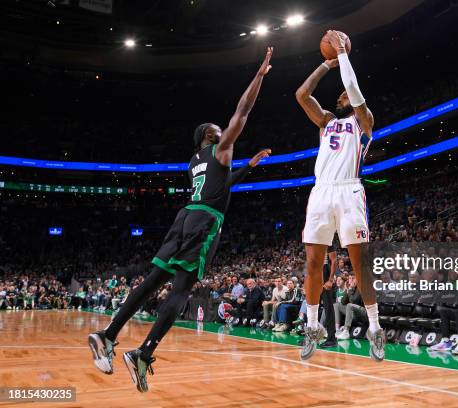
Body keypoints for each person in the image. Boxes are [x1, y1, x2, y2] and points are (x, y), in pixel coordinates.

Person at [87, 48, 274, 393]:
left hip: (185, 216)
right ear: (209, 134)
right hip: (205, 221)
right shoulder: (221, 148)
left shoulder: (194, 161)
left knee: (152, 280)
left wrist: (248, 167)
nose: (224, 129)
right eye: (219, 129)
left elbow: (220, 187)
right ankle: (143, 353)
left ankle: (107, 335)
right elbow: (243, 111)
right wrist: (260, 76)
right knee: (182, 290)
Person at [295, 30, 384, 361]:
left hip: (349, 190)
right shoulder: (327, 121)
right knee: (313, 263)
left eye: (344, 97)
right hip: (321, 192)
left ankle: (375, 328)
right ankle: (313, 327)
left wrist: (345, 55)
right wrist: (325, 65)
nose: (340, 99)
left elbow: (354, 90)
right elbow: (302, 95)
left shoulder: (364, 122)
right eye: (339, 98)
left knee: (359, 263)